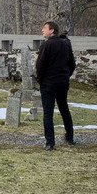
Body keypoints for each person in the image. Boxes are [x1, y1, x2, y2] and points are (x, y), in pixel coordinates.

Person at [35, 20, 76, 151]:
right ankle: (70, 137)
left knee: (48, 113)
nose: (42, 30)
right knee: (64, 109)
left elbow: (40, 66)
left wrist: (40, 80)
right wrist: (65, 76)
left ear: (52, 30)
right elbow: (72, 64)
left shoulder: (46, 45)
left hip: (48, 83)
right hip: (62, 82)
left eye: (44, 28)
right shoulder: (65, 45)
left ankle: (50, 142)